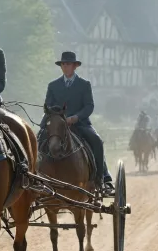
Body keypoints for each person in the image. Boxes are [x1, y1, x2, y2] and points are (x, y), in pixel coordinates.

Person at [41, 51, 113, 195]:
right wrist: (57, 119)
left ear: (75, 66)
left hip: (80, 124)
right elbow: (48, 105)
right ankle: (36, 176)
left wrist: (75, 118)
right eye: (63, 64)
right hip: (57, 124)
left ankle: (102, 177)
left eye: (68, 64)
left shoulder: (84, 84)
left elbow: (89, 106)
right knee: (38, 139)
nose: (65, 66)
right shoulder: (53, 85)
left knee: (97, 141)